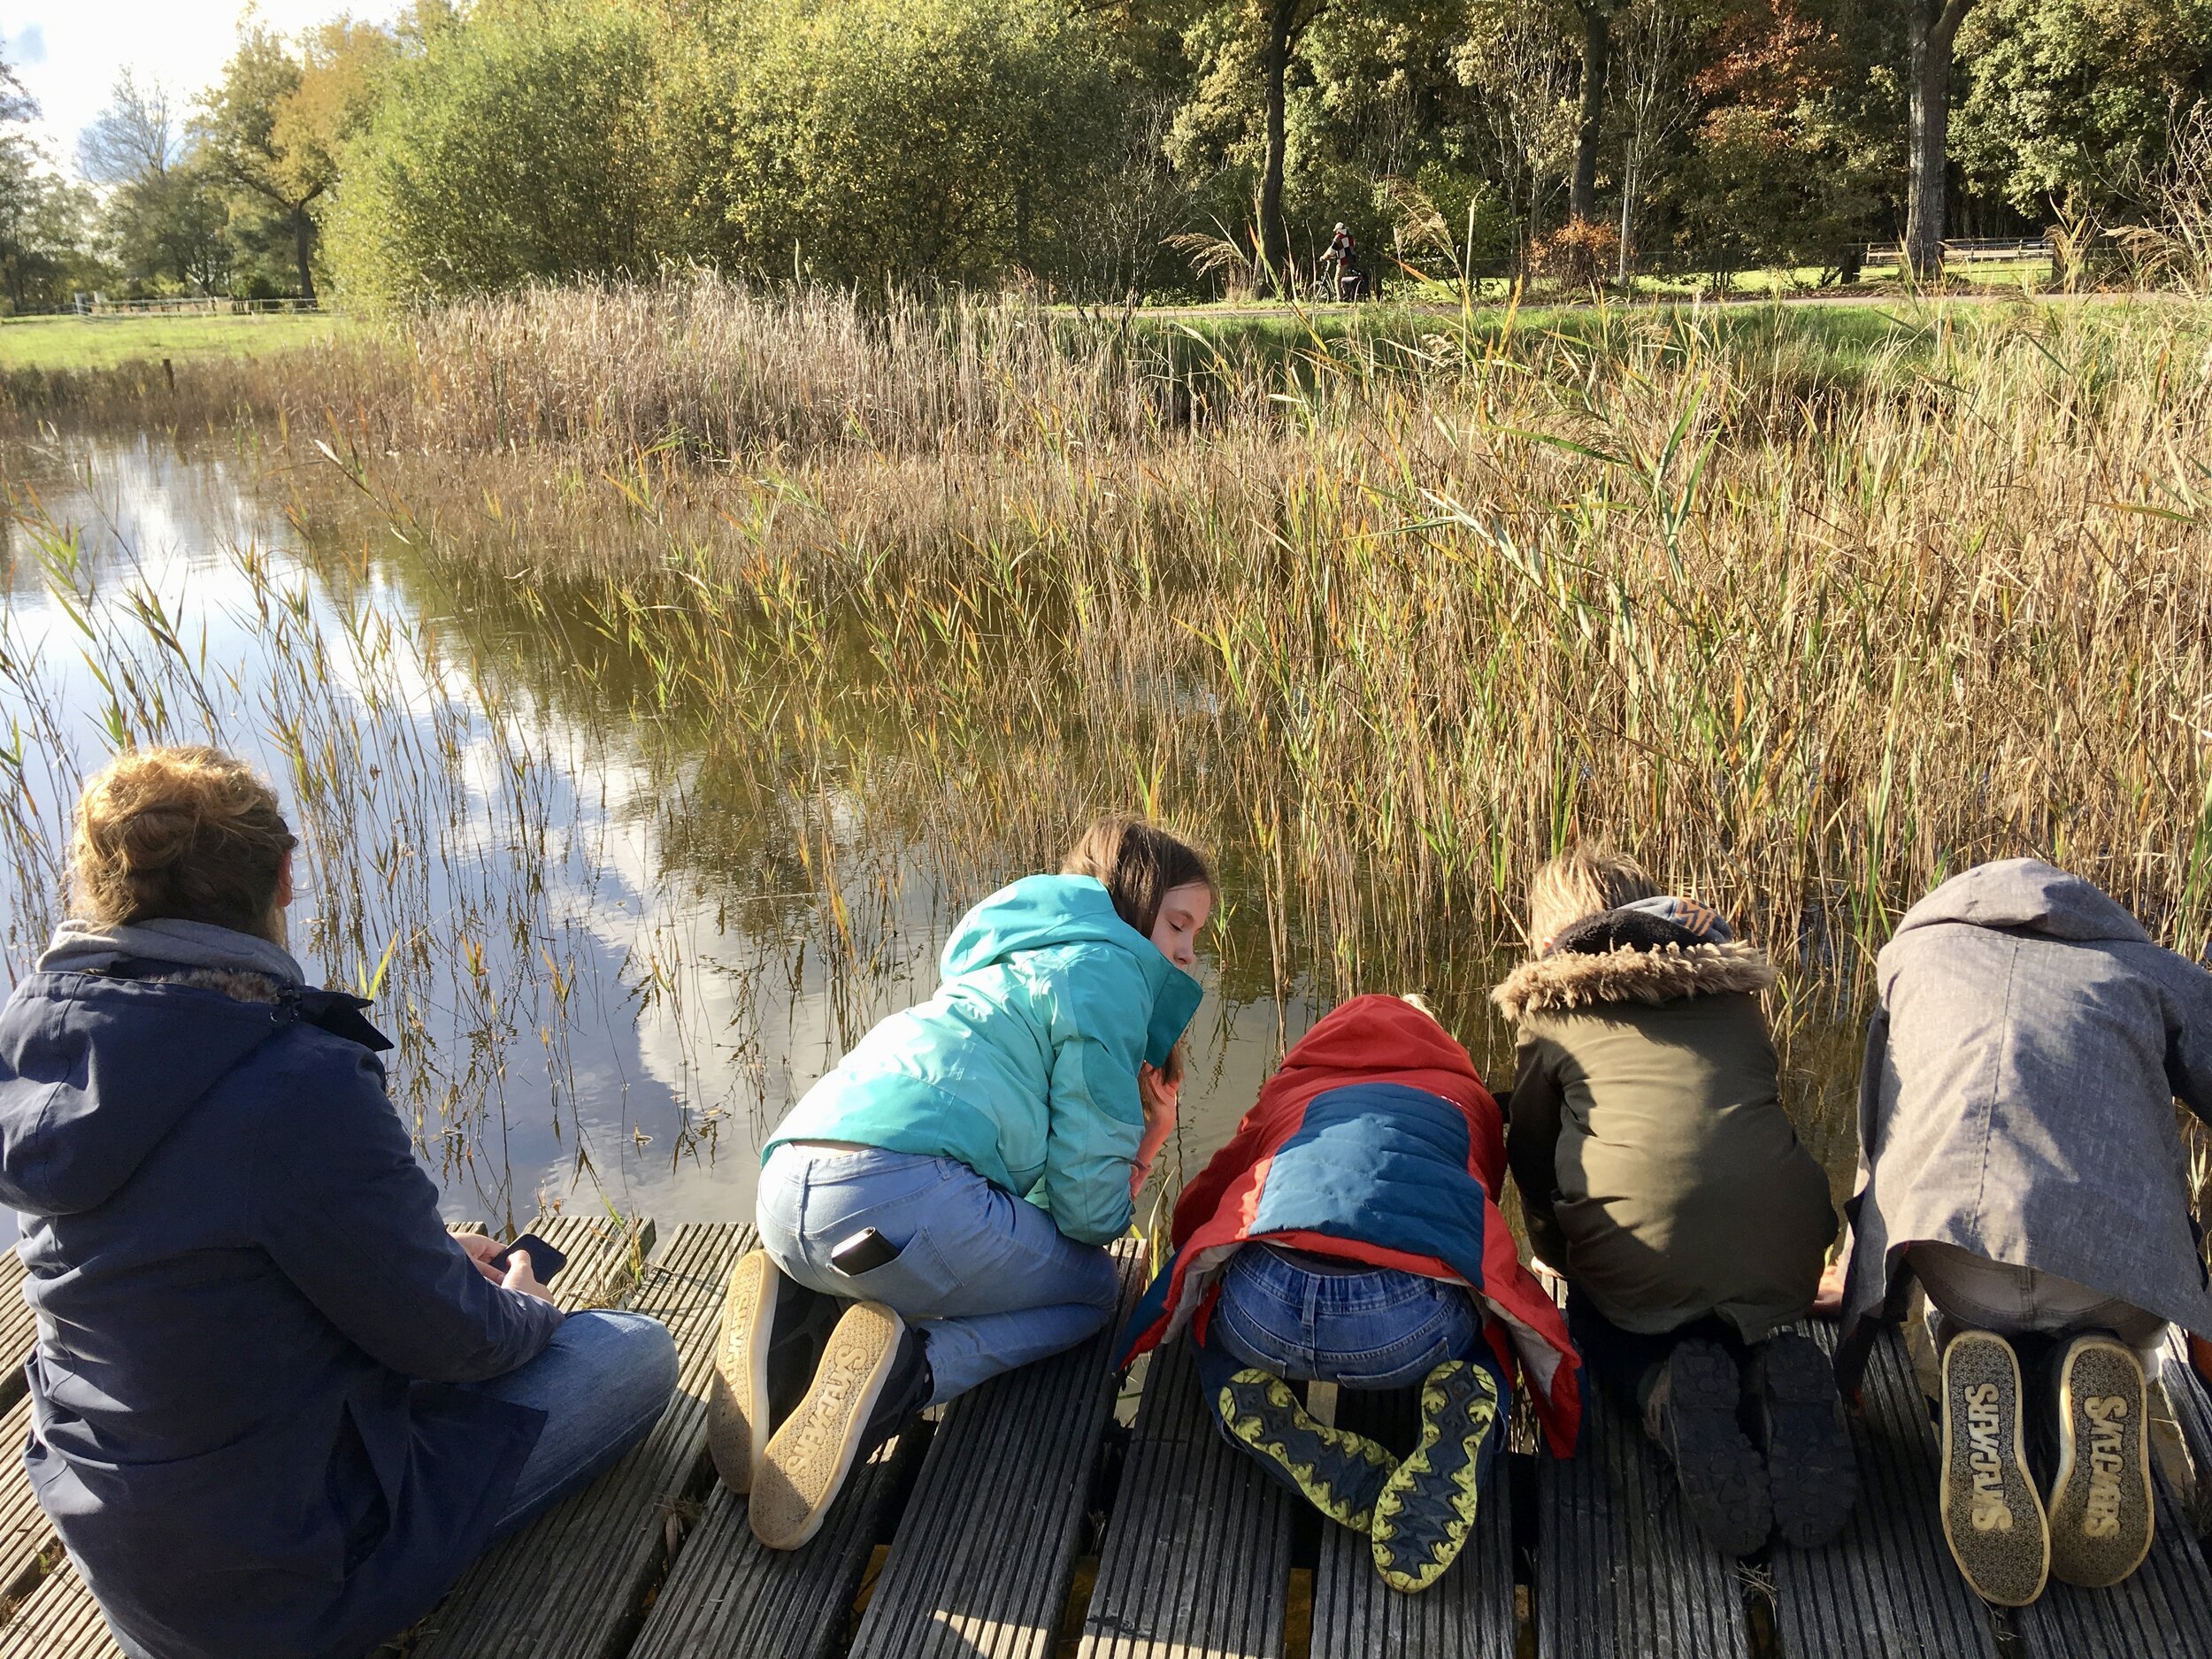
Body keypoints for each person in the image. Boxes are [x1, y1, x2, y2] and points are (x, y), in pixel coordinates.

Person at [0, 747, 678, 1659]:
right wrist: (522, 1305)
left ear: (98, 887)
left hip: (123, 1546)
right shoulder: (291, 1080)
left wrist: (420, 1247)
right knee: (633, 1351)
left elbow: (198, 1238)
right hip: (277, 1589)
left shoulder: (37, 1035)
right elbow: (456, 1342)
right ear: (284, 876)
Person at [711, 816, 1213, 1550]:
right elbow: (1083, 1209)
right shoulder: (1108, 974)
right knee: (1096, 1289)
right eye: (1178, 925)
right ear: (1133, 907)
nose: (1187, 954)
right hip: (896, 1195)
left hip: (788, 1184)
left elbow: (1023, 1191)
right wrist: (1147, 1147)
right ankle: (903, 1374)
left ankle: (792, 1320)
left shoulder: (1001, 960)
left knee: (910, 1236)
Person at [1833, 858, 2212, 1607]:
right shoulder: (2144, 966)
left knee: (1956, 1245)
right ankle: (2113, 1367)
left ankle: (1969, 1364)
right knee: (2114, 1321)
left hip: (1961, 1269)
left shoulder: (1911, 961)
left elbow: (1879, 1144)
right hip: (2113, 1281)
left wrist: (1855, 1284)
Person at [1120, 993, 1580, 1593]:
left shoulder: (1290, 1094)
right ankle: (1477, 1404)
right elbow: (1475, 1201)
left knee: (1208, 1325)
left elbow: (1211, 1194)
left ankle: (1248, 1403)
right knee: (1487, 1335)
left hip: (1266, 1303)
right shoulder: (1466, 1100)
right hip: (1400, 1322)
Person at [1493, 845, 1848, 1556]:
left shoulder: (1553, 1010)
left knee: (1602, 1326)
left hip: (1643, 1266)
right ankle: (1764, 1375)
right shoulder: (1735, 994)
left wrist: (1558, 1257)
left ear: (1546, 939)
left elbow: (1531, 1159)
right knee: (1717, 1287)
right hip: (1787, 1247)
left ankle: (1662, 1395)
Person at [1323, 223, 1364, 301]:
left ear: (1339, 230)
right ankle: (1347, 294)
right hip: (1352, 260)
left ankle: (1340, 298)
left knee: (1337, 279)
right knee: (1345, 277)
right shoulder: (1350, 237)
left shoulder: (1338, 237)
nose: (1336, 232)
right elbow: (1353, 246)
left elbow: (1332, 250)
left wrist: (1325, 257)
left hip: (1343, 260)